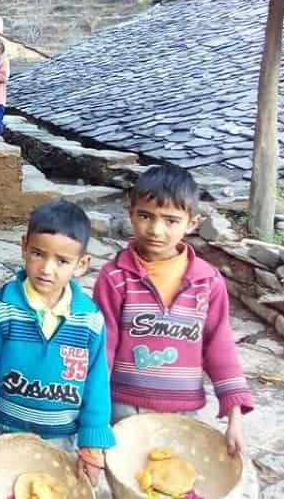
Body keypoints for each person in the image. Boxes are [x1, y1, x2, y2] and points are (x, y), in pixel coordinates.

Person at [94, 165, 253, 454]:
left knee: (173, 478)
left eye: (171, 220)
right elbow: (103, 347)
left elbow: (220, 346)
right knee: (127, 476)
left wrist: (235, 418)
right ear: (130, 213)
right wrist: (95, 412)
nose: (155, 230)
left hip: (183, 411)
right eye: (145, 216)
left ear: (192, 223)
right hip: (122, 407)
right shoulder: (115, 276)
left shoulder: (207, 282)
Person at [0, 201, 115, 483]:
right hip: (5, 432)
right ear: (24, 247)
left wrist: (91, 443)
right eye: (37, 254)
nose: (47, 269)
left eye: (62, 261)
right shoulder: (2, 307)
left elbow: (97, 385)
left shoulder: (89, 320)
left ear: (82, 265)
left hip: (62, 439)